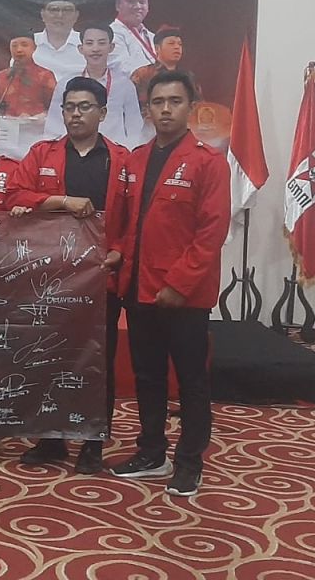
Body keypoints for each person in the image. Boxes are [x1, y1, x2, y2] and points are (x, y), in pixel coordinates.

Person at [108, 70, 229, 497]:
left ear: (191, 107)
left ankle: (189, 461)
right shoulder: (136, 159)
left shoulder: (208, 161)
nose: (165, 110)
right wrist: (117, 257)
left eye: (174, 102)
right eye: (157, 102)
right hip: (138, 287)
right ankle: (151, 452)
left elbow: (211, 232)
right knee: (148, 376)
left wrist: (179, 283)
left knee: (191, 380)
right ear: (148, 109)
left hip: (184, 295)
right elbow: (128, 224)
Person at [10, 76, 130, 474]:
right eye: (70, 108)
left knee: (98, 359)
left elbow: (132, 217)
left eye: (85, 107)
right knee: (49, 354)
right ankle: (51, 438)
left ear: (102, 112)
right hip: (50, 275)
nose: (76, 114)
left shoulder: (120, 159)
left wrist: (119, 251)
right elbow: (15, 195)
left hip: (100, 276)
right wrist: (60, 201)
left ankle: (93, 440)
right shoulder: (42, 153)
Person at [44, 23, 144, 147]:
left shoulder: (124, 85)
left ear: (111, 47)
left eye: (101, 43)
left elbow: (134, 127)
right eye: (89, 43)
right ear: (81, 48)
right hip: (74, 150)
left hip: (114, 151)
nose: (95, 49)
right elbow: (53, 127)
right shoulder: (65, 84)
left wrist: (129, 151)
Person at [0, 29, 57, 118]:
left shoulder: (45, 76)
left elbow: (56, 107)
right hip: (6, 125)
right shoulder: (0, 77)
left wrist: (38, 117)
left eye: (24, 45)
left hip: (37, 125)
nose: (19, 50)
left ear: (34, 48)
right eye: (14, 46)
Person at [108, 0, 157, 75]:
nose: (138, 6)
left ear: (148, 6)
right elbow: (124, 69)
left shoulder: (154, 37)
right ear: (118, 5)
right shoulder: (110, 35)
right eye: (131, 1)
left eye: (142, 2)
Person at [32, 0, 82, 83]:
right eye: (54, 10)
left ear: (76, 16)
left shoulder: (88, 44)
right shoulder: (29, 42)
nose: (60, 15)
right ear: (43, 14)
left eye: (67, 10)